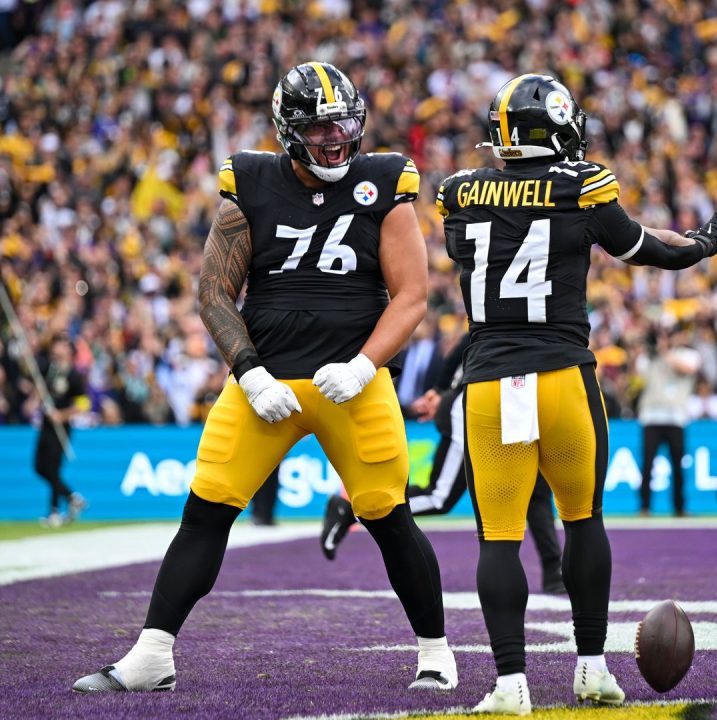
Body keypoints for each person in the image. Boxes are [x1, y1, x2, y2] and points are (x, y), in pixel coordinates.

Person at [73, 62, 456, 694]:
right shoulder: (249, 181)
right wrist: (249, 374)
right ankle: (152, 654)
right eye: (319, 128)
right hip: (266, 384)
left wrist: (364, 366)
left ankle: (437, 653)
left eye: (344, 124)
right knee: (205, 512)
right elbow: (214, 292)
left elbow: (411, 295)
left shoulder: (384, 181)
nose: (336, 139)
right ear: (287, 130)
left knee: (389, 514)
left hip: (353, 385)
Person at [439, 73, 717, 714]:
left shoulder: (458, 193)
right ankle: (590, 669)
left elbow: (470, 247)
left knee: (497, 537)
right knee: (584, 521)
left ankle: (509, 686)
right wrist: (703, 244)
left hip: (492, 378)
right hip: (563, 376)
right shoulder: (583, 183)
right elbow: (640, 248)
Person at [320, 333, 567, 595]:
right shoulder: (513, 316)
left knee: (537, 492)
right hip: (473, 407)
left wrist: (439, 389)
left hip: (516, 403)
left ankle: (553, 572)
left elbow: (466, 342)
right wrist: (440, 390)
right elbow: (468, 340)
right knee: (440, 497)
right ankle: (352, 509)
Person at [635, 332, 700, 516]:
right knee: (647, 464)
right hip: (651, 417)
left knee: (677, 465)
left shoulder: (688, 354)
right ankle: (644, 506)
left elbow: (688, 369)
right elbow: (638, 374)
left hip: (676, 418)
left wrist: (664, 352)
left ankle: (679, 507)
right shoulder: (649, 357)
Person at [33, 338, 88, 528]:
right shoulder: (49, 370)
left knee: (53, 468)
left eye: (62, 344)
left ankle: (55, 511)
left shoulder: (74, 376)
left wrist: (62, 416)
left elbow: (83, 404)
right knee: (40, 467)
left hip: (61, 427)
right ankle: (72, 497)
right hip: (46, 425)